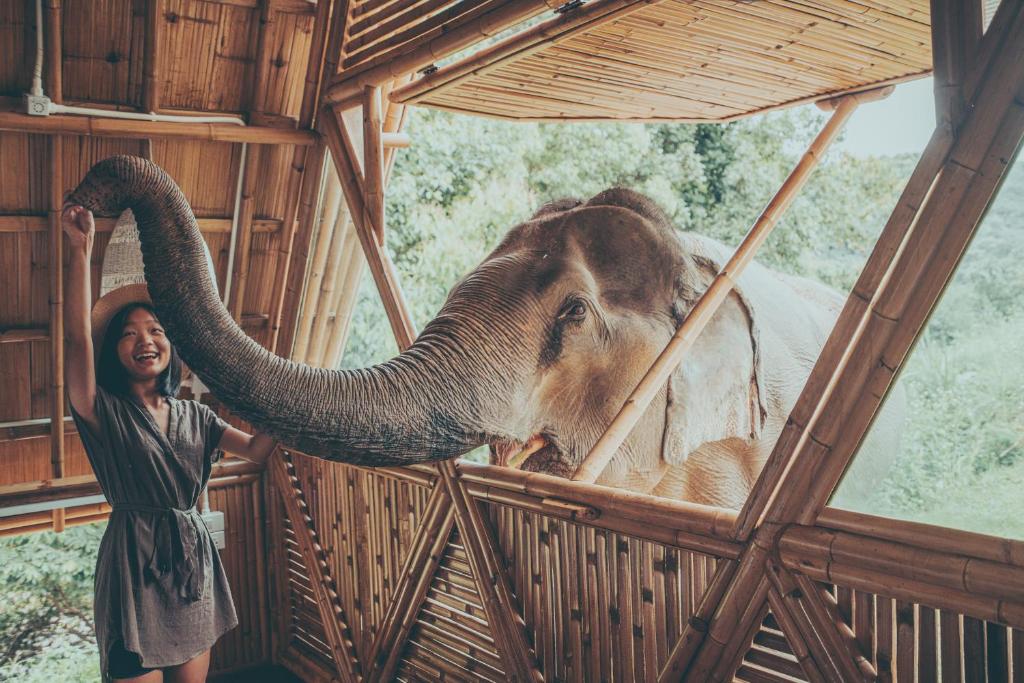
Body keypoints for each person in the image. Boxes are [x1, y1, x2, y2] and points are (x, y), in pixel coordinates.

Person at [62, 203, 276, 683]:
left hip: (190, 567)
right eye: (130, 334)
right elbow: (77, 342)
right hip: (133, 568)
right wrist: (80, 251)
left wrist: (286, 400)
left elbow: (259, 451)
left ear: (170, 346)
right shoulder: (103, 412)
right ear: (115, 350)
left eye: (156, 330)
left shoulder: (197, 416)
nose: (146, 340)